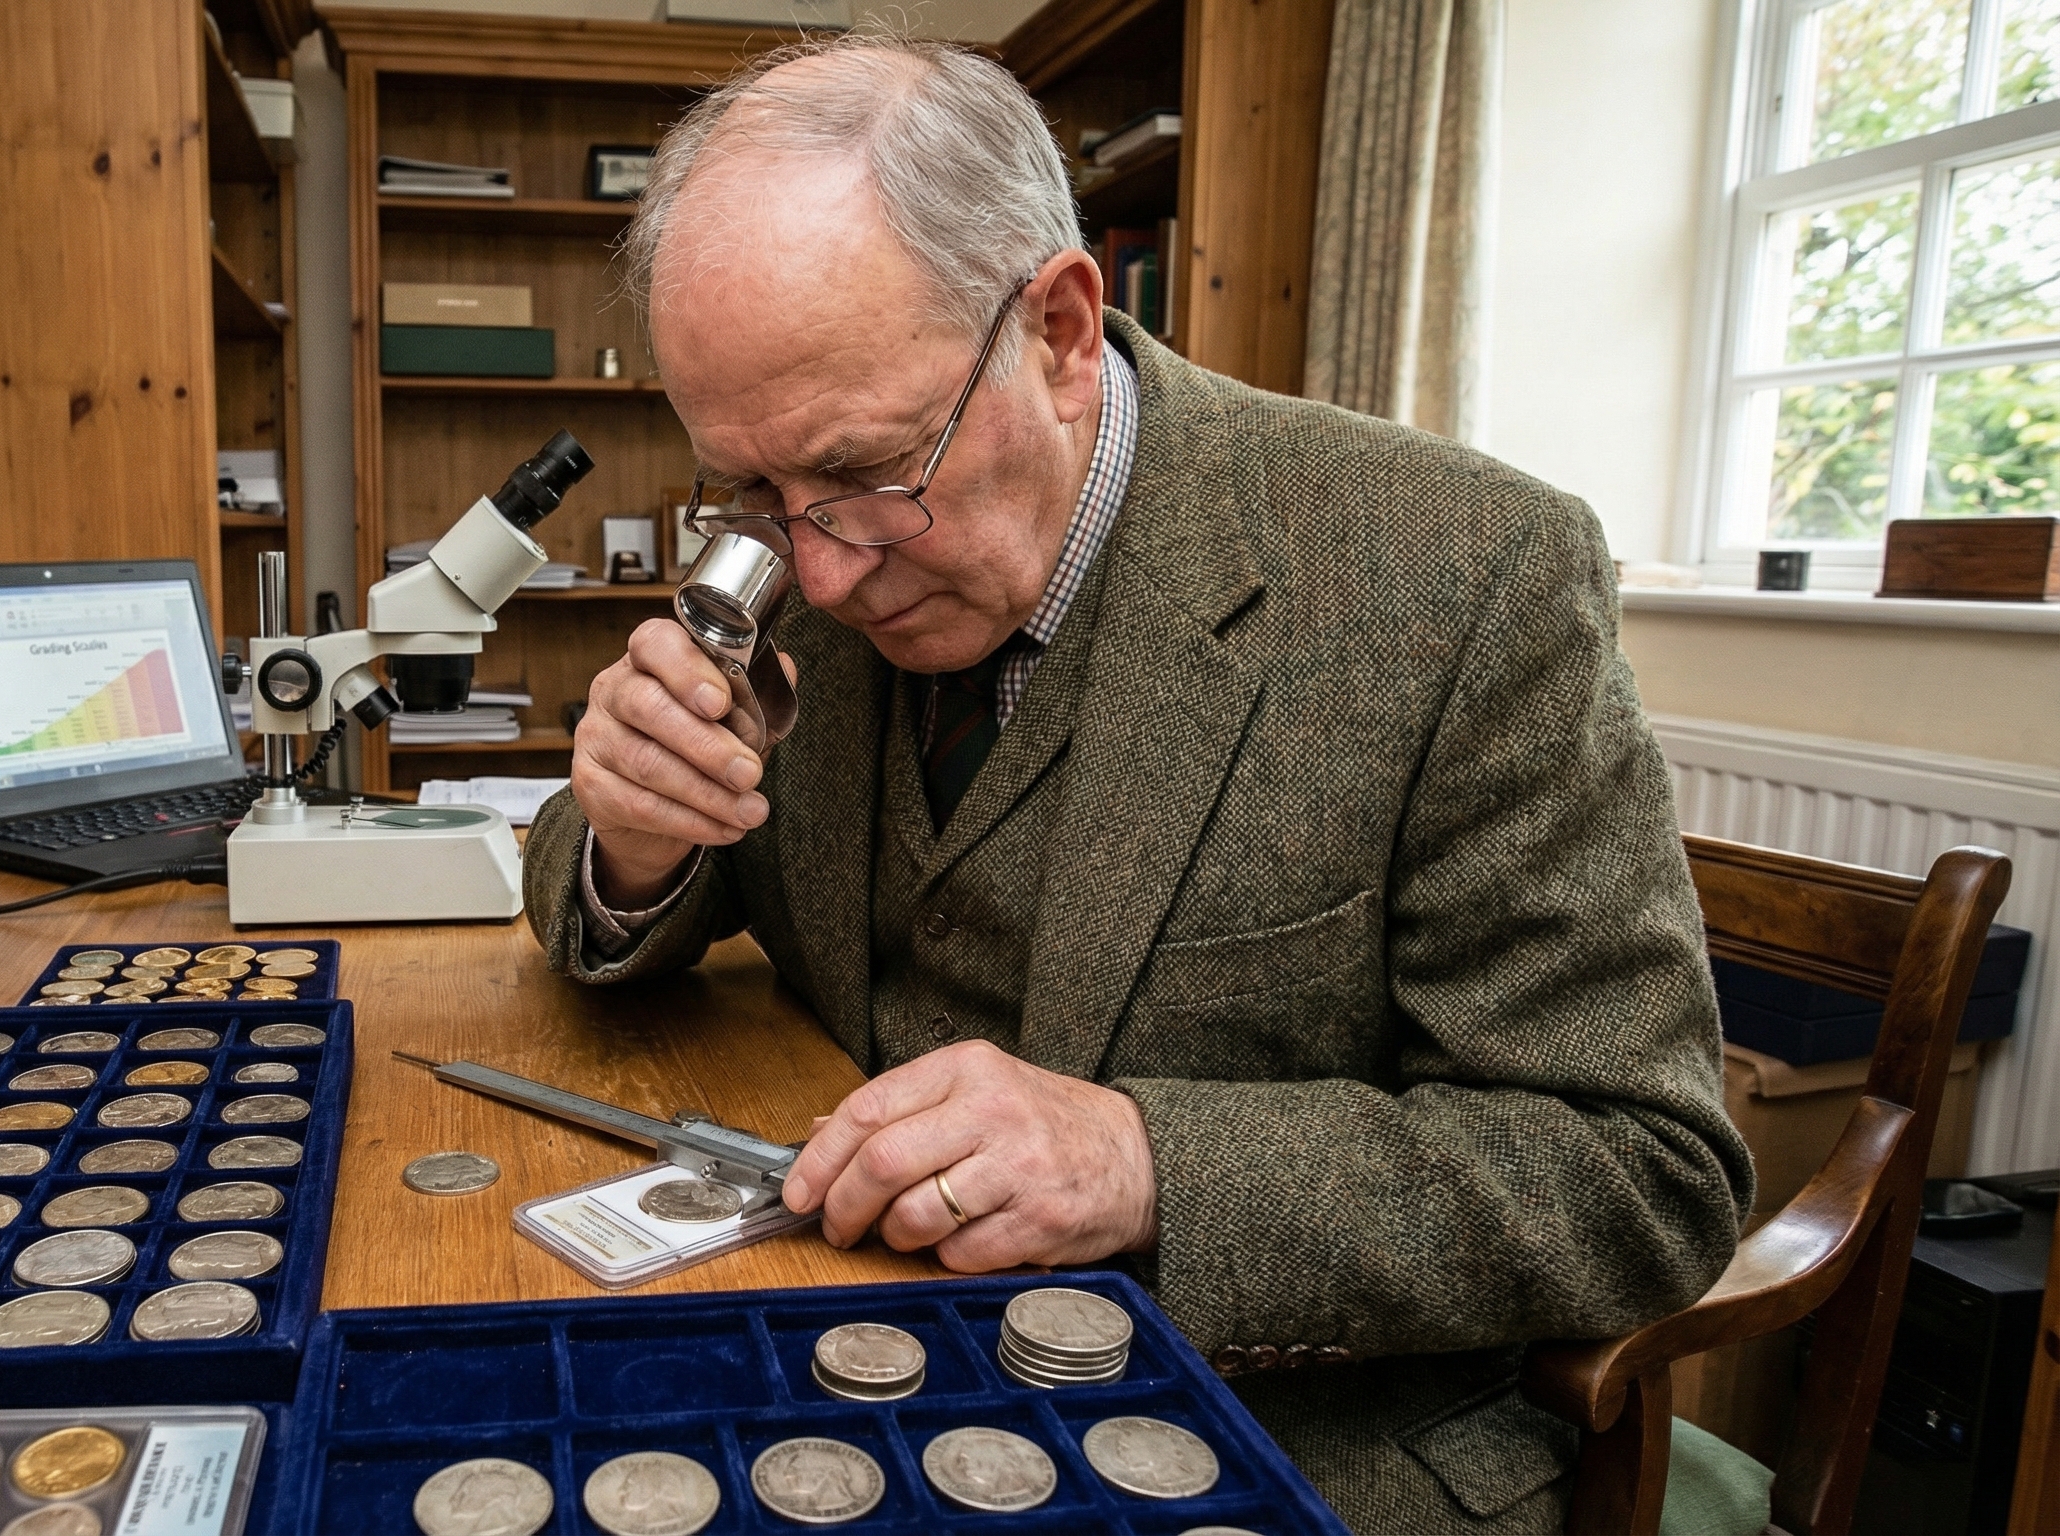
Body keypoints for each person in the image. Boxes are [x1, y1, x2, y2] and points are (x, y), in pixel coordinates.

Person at [521, 29, 1755, 1533]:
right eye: (759, 489)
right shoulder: (799, 551)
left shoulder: (1462, 576)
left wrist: (1149, 1161)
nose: (824, 571)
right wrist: (634, 843)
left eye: (868, 474)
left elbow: (1640, 1174)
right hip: (839, 1368)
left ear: (1057, 325)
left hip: (1271, 1431)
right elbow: (604, 880)